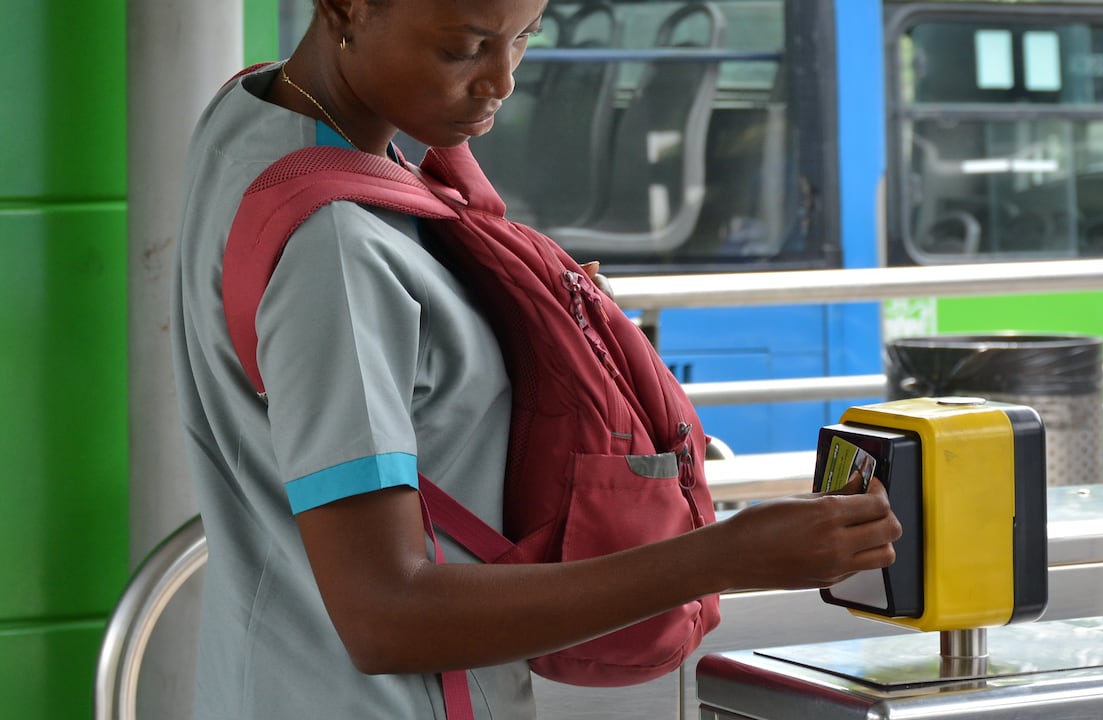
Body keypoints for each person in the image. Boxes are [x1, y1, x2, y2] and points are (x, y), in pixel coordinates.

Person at [170, 0, 902, 718]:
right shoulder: (336, 247)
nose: (501, 81)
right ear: (346, 9)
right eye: (463, 47)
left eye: (524, 37)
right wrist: (720, 557)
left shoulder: (254, 117)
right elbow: (385, 614)